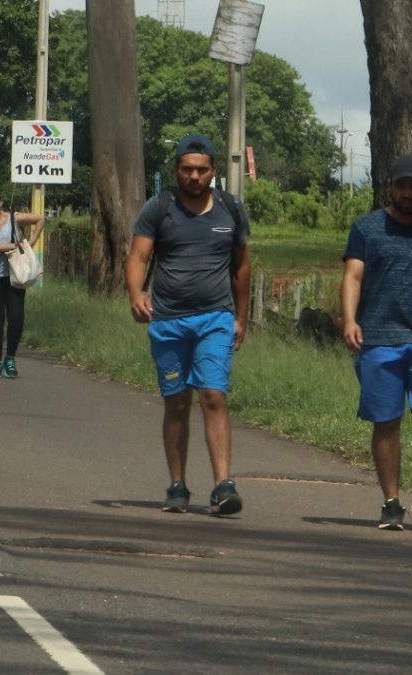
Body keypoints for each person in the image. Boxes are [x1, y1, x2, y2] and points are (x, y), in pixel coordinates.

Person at [124, 133, 251, 516]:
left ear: (213, 170)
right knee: (177, 401)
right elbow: (137, 258)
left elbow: (242, 266)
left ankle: (223, 484)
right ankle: (177, 485)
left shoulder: (230, 208)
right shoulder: (159, 208)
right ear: (176, 170)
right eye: (187, 169)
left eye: (201, 169)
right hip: (168, 322)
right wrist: (135, 294)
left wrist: (241, 318)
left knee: (213, 395)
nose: (194, 176)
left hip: (215, 318)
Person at [340, 154, 412, 531]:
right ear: (390, 186)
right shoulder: (367, 228)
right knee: (387, 422)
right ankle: (391, 502)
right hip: (380, 338)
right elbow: (353, 276)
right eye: (402, 185)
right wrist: (351, 319)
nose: (408, 193)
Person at [0, 188, 43, 378]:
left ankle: (10, 358)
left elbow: (39, 219)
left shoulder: (13, 217)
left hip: (14, 275)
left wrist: (33, 240)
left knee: (16, 317)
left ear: (1, 201)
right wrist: (17, 245)